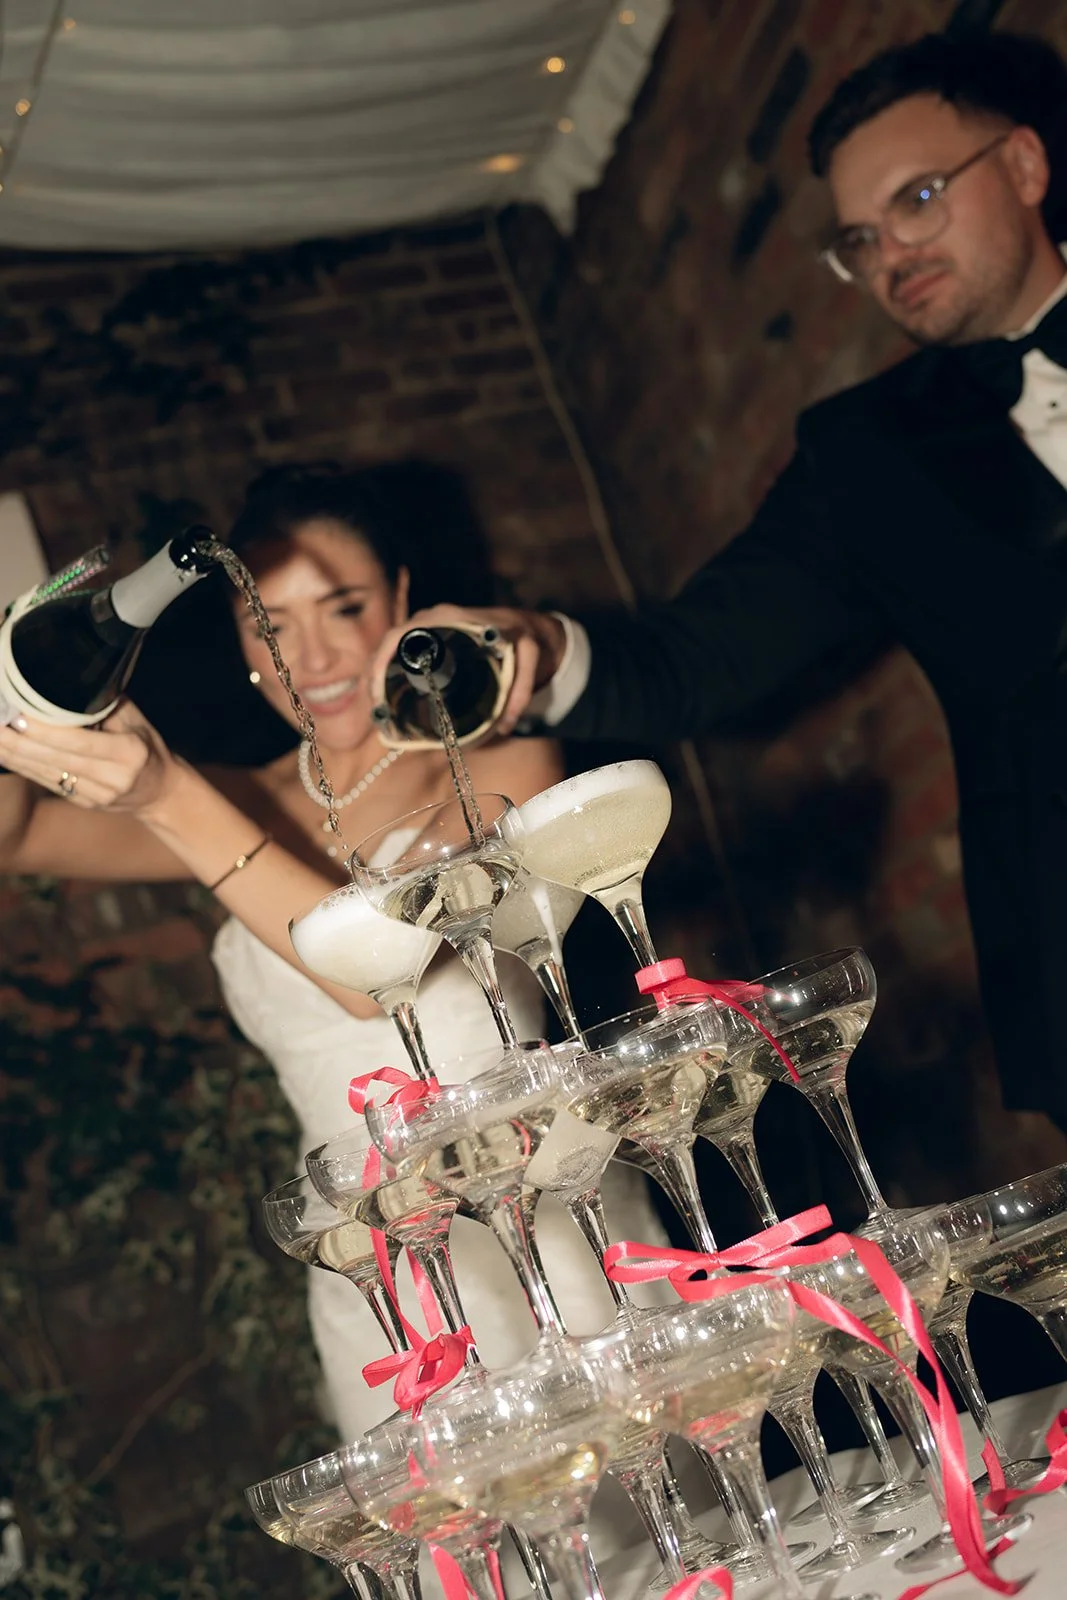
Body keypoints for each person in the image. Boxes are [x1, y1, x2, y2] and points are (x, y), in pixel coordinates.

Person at [372, 30, 1067, 1139]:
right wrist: (527, 652)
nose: (890, 252)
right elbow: (694, 658)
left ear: (1024, 165)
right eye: (857, 239)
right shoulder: (867, 454)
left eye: (918, 199)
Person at [0, 462, 667, 1443]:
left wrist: (169, 797)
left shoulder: (497, 758)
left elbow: (377, 978)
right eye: (268, 620)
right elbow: (16, 832)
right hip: (380, 1276)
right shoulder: (250, 798)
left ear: (400, 598)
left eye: (342, 607)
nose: (306, 655)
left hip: (545, 1224)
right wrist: (23, 684)